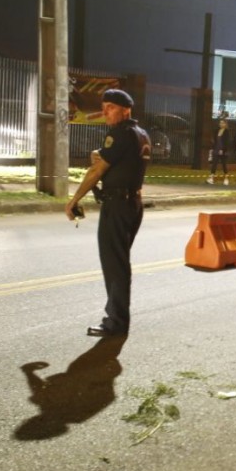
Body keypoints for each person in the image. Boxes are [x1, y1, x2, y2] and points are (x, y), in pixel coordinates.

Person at [65, 89, 149, 338]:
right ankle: (118, 320)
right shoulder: (140, 133)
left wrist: (74, 200)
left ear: (126, 109)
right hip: (133, 204)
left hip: (118, 206)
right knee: (119, 263)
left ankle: (116, 323)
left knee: (115, 266)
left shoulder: (120, 134)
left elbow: (96, 171)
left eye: (110, 107)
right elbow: (121, 161)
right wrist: (99, 155)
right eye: (103, 107)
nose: (105, 112)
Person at [208, 118, 231, 185]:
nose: (221, 124)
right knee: (214, 164)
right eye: (220, 123)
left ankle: (226, 179)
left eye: (223, 123)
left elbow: (227, 142)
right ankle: (211, 178)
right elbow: (214, 141)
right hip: (216, 149)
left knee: (224, 164)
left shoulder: (227, 132)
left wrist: (222, 149)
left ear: (225, 124)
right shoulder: (217, 130)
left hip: (223, 150)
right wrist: (213, 148)